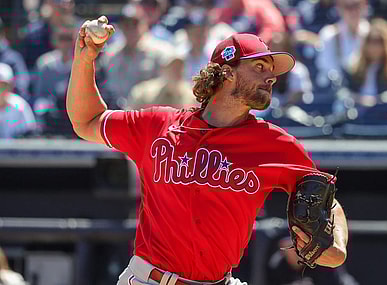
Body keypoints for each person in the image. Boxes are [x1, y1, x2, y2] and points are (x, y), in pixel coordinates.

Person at [66, 16, 348, 285]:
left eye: (272, 71)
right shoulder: (158, 125)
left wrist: (338, 246)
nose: (271, 77)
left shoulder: (274, 145)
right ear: (226, 72)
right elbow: (87, 120)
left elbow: (326, 198)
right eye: (259, 67)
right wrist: (85, 59)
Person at [100, 3, 173, 109]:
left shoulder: (162, 52)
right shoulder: (111, 53)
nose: (130, 28)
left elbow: (168, 88)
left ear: (145, 23)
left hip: (148, 114)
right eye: (126, 24)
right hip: (117, 113)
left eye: (135, 23)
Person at [338, 18, 387, 108]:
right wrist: (359, 99)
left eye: (379, 42)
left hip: (384, 113)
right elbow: (343, 92)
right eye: (370, 41)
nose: (374, 46)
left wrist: (379, 99)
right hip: (357, 113)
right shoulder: (353, 67)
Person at [315, 0, 370, 95]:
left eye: (356, 5)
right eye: (347, 7)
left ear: (365, 6)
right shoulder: (329, 34)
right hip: (340, 96)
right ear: (339, 8)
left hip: (371, 96)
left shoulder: (373, 34)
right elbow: (327, 70)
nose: (353, 11)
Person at [127, 53, 197, 110]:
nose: (177, 71)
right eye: (173, 67)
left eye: (180, 67)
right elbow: (130, 117)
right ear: (163, 69)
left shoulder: (192, 94)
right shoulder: (144, 92)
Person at [0, 63, 36, 139]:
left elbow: (30, 134)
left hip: (16, 150)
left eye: (3, 85)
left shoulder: (20, 106)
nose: (1, 89)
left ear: (11, 86)